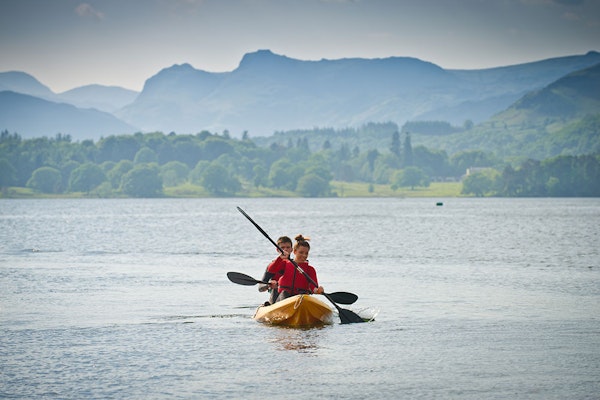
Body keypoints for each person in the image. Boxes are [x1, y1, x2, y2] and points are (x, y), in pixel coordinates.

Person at [275, 234, 324, 302]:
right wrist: (279, 258)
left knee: (303, 297)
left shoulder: (310, 269)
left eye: (306, 253)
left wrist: (317, 290)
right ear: (294, 252)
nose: (304, 255)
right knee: (284, 293)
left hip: (301, 298)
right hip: (283, 299)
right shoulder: (285, 264)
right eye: (301, 252)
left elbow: (313, 287)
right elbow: (272, 270)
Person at [258, 236, 292, 305]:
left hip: (293, 295)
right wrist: (268, 285)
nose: (285, 250)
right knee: (282, 292)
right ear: (277, 250)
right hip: (276, 297)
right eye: (282, 248)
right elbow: (260, 287)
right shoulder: (272, 266)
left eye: (288, 247)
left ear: (292, 249)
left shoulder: (297, 265)